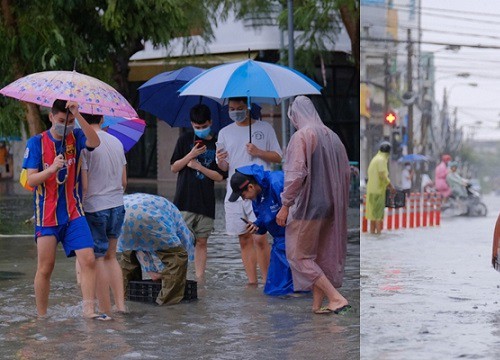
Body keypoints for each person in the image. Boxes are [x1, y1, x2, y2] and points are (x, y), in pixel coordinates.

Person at [22, 99, 102, 318]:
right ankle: (42, 316)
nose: (65, 124)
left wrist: (79, 115)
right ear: (50, 117)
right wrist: (51, 170)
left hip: (74, 212)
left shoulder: (75, 137)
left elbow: (95, 142)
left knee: (88, 258)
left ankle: (89, 311)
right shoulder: (36, 142)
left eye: (69, 120)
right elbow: (30, 180)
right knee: (45, 268)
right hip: (46, 215)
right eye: (60, 120)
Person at [275, 96, 351, 315]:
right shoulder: (333, 136)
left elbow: (295, 174)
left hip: (308, 207)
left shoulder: (303, 136)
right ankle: (318, 306)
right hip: (330, 206)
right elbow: (346, 172)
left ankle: (335, 298)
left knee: (299, 256)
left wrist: (285, 204)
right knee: (318, 255)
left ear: (295, 115)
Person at [216, 97, 282, 286]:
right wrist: (220, 161)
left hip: (259, 191)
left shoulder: (265, 129)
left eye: (239, 108)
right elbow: (224, 166)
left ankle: (268, 280)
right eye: (231, 108)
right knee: (244, 238)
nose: (235, 111)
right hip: (235, 191)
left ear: (248, 107)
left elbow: (278, 157)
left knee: (260, 238)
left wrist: (258, 152)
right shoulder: (224, 133)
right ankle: (252, 283)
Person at [170, 104, 227, 282]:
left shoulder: (217, 144)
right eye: (197, 127)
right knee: (181, 242)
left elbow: (219, 176)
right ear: (192, 124)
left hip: (206, 202)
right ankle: (179, 277)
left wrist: (199, 166)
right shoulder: (184, 140)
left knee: (202, 242)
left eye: (203, 127)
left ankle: (200, 279)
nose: (200, 130)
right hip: (184, 201)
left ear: (210, 122)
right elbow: (174, 167)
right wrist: (190, 156)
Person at [80, 113, 128, 315]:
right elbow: (124, 181)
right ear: (102, 119)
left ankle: (105, 311)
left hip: (95, 207)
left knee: (98, 259)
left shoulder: (85, 144)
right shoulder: (117, 142)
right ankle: (121, 306)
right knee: (111, 257)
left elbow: (84, 185)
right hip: (117, 205)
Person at [118, 193, 195, 305]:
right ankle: (167, 304)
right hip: (147, 217)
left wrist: (152, 270)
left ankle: (124, 300)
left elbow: (144, 246)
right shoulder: (182, 225)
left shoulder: (164, 205)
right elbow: (183, 247)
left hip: (120, 212)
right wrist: (160, 271)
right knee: (177, 257)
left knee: (127, 256)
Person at [228, 164, 294, 296]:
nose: (244, 198)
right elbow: (264, 222)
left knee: (292, 288)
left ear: (251, 187)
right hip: (280, 244)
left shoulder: (277, 182)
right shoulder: (256, 197)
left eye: (243, 195)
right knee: (273, 290)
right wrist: (256, 225)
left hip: (295, 239)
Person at [365, 141, 396, 235]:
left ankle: (372, 234)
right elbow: (382, 174)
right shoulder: (382, 160)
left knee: (372, 216)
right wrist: (391, 186)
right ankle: (378, 234)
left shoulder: (375, 159)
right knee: (378, 216)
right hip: (378, 191)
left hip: (370, 191)